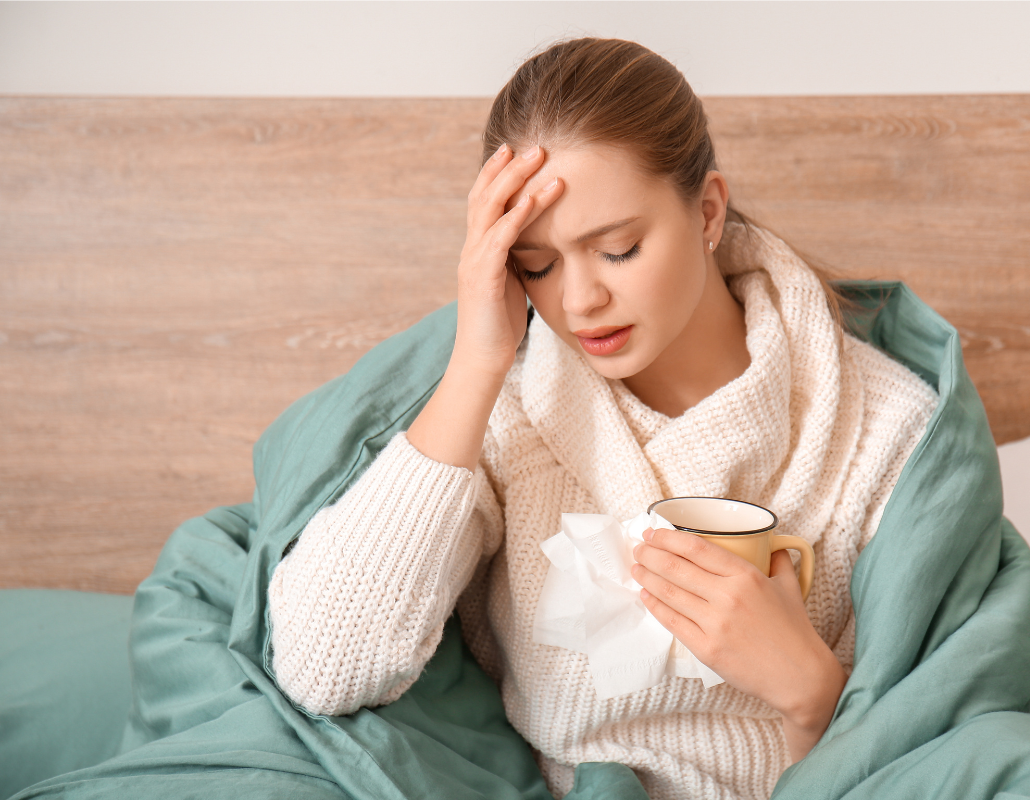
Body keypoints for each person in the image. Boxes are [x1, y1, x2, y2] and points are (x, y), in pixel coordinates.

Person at [266, 37, 938, 800]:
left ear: (708, 211)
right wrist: (477, 362)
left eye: (617, 249)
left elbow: (939, 741)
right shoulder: (509, 413)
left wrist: (812, 696)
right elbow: (323, 667)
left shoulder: (884, 429)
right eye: (538, 265)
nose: (578, 301)